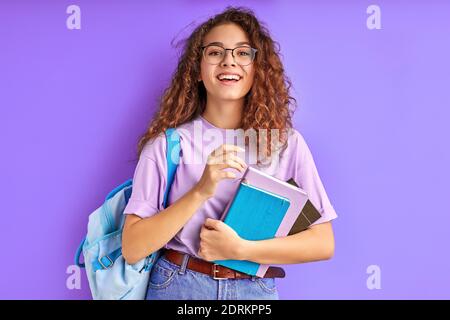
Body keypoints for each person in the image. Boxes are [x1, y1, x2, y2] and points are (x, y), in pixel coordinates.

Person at [122, 6, 338, 300]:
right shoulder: (168, 145)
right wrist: (201, 190)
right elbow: (133, 247)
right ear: (197, 70)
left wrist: (241, 250)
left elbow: (322, 243)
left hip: (254, 291)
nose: (228, 61)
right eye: (215, 52)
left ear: (257, 70)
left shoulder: (285, 144)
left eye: (242, 53)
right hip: (179, 285)